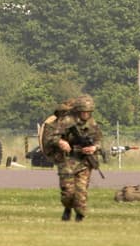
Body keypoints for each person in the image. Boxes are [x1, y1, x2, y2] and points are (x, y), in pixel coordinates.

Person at [42, 94, 102, 222]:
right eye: (84, 112)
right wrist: (60, 142)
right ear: (78, 110)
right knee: (68, 192)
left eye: (89, 112)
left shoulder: (92, 124)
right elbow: (50, 136)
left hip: (84, 161)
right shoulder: (66, 121)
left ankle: (80, 216)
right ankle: (67, 208)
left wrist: (94, 148)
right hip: (67, 160)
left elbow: (99, 141)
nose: (86, 114)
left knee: (81, 192)